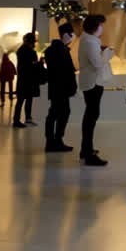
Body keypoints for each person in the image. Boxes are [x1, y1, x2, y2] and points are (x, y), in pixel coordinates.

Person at [77, 14, 113, 166]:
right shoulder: (90, 42)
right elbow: (97, 64)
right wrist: (107, 53)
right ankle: (87, 152)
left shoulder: (89, 40)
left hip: (91, 81)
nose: (102, 28)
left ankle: (87, 149)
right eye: (101, 25)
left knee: (91, 115)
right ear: (95, 26)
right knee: (91, 116)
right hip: (93, 83)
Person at [44, 23, 76, 153]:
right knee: (57, 114)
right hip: (60, 89)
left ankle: (55, 141)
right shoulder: (58, 50)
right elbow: (62, 71)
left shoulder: (59, 49)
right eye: (71, 35)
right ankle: (53, 141)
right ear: (64, 35)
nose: (72, 37)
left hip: (60, 89)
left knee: (59, 113)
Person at [12, 32, 41, 128]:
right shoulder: (29, 51)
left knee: (22, 100)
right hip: (29, 79)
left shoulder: (21, 50)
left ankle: (19, 119)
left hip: (23, 78)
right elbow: (32, 65)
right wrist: (38, 64)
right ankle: (22, 119)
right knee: (26, 99)